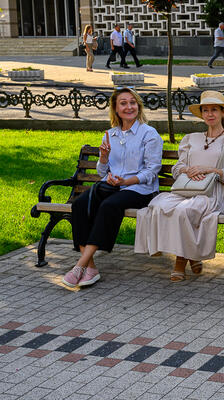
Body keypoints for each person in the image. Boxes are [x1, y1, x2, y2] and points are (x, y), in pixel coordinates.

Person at [134, 91, 224, 282]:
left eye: (214, 109)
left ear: (222, 113)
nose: (210, 114)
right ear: (201, 114)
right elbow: (177, 169)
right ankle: (192, 256)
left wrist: (210, 170)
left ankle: (179, 263)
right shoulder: (191, 138)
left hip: (210, 196)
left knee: (183, 212)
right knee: (158, 206)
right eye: (205, 110)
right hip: (185, 190)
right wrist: (188, 170)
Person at [62, 88, 163, 288]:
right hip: (112, 188)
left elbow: (152, 171)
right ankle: (91, 268)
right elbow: (102, 172)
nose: (129, 107)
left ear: (138, 106)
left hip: (140, 190)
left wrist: (126, 182)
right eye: (123, 103)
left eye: (132, 102)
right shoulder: (110, 135)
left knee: (109, 206)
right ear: (116, 109)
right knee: (79, 204)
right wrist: (104, 158)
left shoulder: (149, 134)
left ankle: (80, 265)